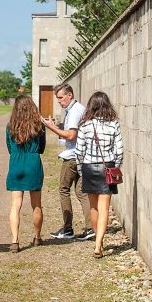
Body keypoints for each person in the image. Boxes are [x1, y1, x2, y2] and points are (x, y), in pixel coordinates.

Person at [42, 84, 93, 241]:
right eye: (57, 98)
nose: (59, 101)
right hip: (82, 155)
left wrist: (51, 127)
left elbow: (71, 135)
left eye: (61, 97)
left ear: (70, 95)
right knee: (81, 192)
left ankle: (68, 229)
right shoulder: (77, 109)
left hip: (72, 157)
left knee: (64, 189)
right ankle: (91, 227)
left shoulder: (75, 111)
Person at [75, 91, 123, 258]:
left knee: (93, 207)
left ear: (91, 106)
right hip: (107, 167)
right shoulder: (113, 124)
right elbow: (119, 151)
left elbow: (79, 151)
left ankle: (98, 240)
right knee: (104, 209)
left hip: (88, 167)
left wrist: (81, 170)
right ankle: (98, 244)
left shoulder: (85, 125)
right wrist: (115, 168)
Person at [5, 95, 47, 253]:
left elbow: (9, 147)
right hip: (33, 163)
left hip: (16, 164)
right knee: (36, 204)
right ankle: (37, 237)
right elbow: (42, 147)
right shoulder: (39, 126)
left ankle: (14, 241)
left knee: (15, 205)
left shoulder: (10, 126)